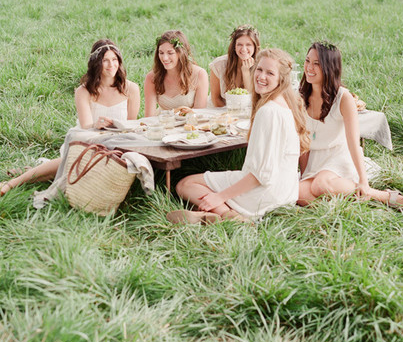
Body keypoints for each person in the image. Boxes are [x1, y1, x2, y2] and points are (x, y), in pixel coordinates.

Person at [167, 48, 310, 224]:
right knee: (206, 188)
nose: (261, 76)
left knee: (186, 184)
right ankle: (205, 215)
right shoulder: (286, 104)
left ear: (281, 79)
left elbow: (261, 175)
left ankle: (231, 216)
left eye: (270, 73)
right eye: (259, 69)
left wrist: (219, 196)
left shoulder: (268, 111)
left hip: (266, 195)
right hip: (286, 192)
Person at [1, 39, 140, 196]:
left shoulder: (131, 89)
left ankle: (32, 171)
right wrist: (96, 124)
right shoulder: (84, 91)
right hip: (88, 139)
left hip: (117, 143)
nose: (111, 65)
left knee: (76, 168)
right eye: (105, 60)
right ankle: (12, 184)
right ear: (96, 63)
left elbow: (131, 124)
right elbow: (85, 125)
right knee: (70, 163)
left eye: (114, 59)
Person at [297, 41, 403, 207]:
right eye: (307, 61)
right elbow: (302, 141)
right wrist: (304, 174)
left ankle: (378, 195)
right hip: (315, 160)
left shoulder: (343, 98)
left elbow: (353, 142)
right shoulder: (299, 97)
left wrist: (364, 181)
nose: (309, 67)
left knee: (320, 184)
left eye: (317, 64)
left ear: (329, 68)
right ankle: (337, 207)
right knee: (297, 192)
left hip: (338, 156)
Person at [143, 30, 208, 116]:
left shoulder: (199, 74)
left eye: (170, 53)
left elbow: (200, 114)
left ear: (181, 53)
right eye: (161, 53)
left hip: (190, 121)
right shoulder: (152, 77)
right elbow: (149, 117)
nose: (164, 58)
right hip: (163, 121)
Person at [209, 24, 260, 107]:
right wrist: (230, 113)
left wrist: (245, 72)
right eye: (239, 44)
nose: (244, 49)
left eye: (248, 45)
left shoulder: (261, 66)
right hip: (220, 110)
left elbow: (252, 99)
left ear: (255, 47)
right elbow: (216, 99)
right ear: (234, 47)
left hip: (248, 110)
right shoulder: (219, 65)